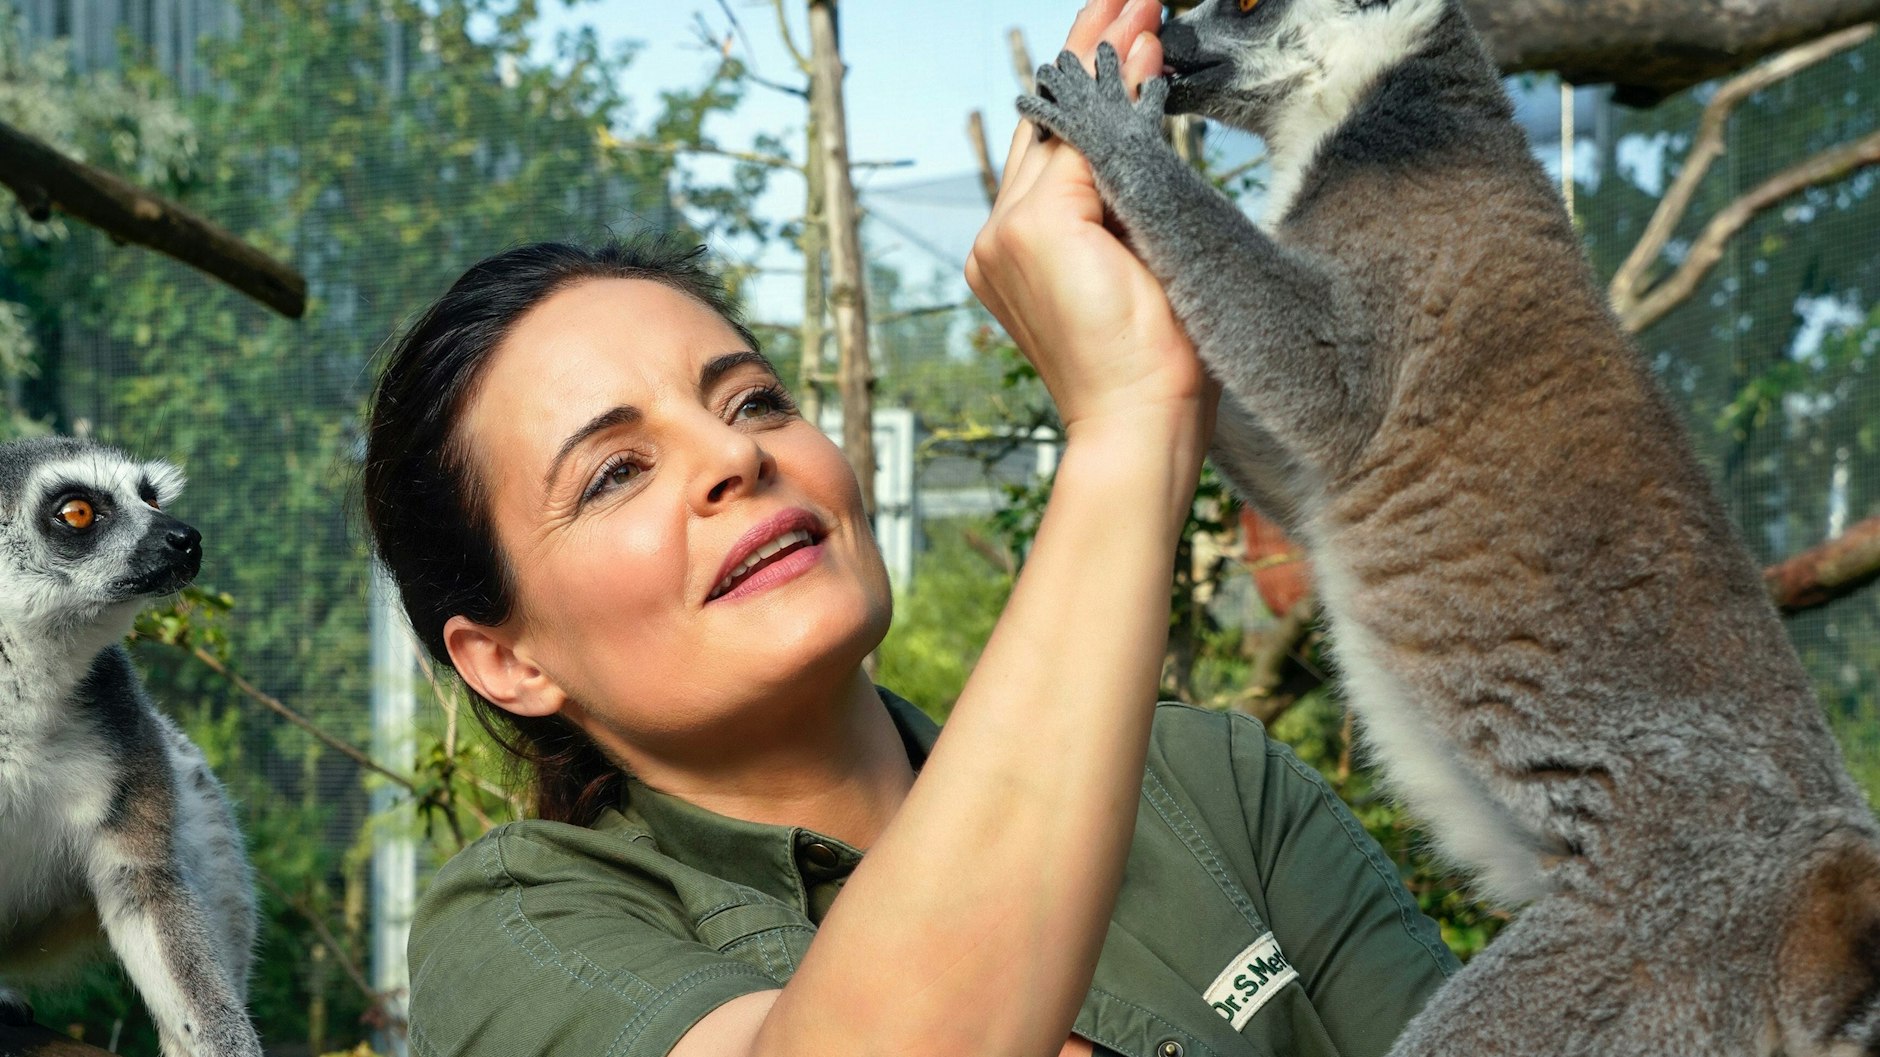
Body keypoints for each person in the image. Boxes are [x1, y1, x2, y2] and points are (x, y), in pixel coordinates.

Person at [361, 2, 1457, 1055]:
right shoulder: (520, 937)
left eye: (753, 400)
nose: (735, 456)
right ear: (506, 659)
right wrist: (1130, 424)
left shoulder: (1211, 786)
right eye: (614, 473)